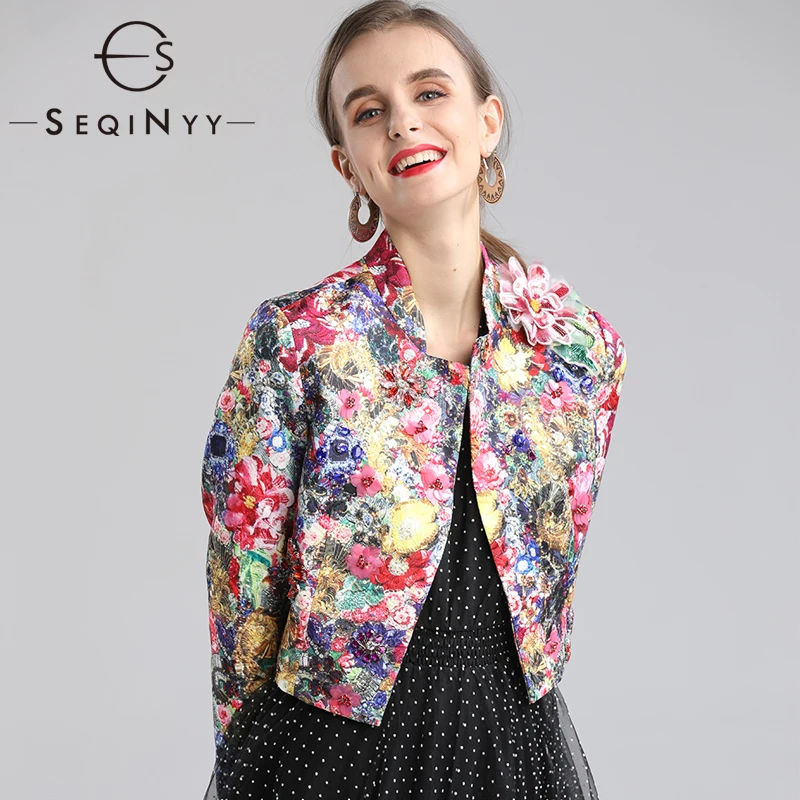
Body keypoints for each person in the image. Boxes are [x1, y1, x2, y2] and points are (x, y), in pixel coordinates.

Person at [201, 1, 627, 797]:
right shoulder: (297, 340)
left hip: (512, 749)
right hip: (326, 752)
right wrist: (244, 764)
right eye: (370, 111)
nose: (402, 121)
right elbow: (242, 589)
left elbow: (551, 589)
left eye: (429, 93)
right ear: (348, 165)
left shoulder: (579, 351)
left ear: (487, 121)